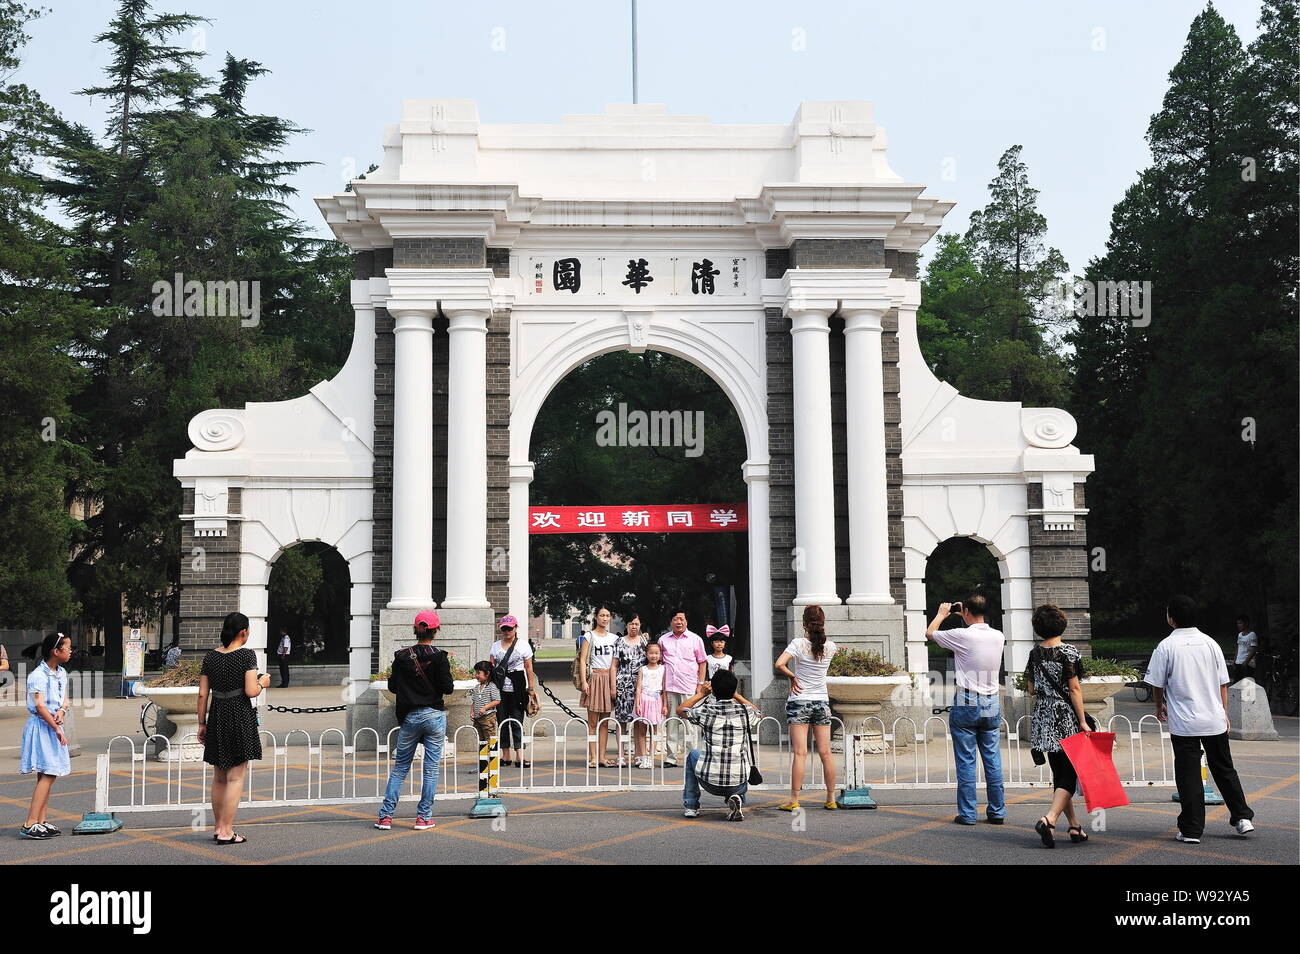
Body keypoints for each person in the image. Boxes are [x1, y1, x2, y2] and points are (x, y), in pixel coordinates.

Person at [1146, 594, 1255, 843]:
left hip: (1184, 724)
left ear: (1171, 619)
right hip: (1213, 719)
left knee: (1189, 774)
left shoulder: (1166, 646)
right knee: (1224, 768)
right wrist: (1224, 713)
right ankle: (1242, 817)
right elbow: (1222, 684)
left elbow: (1156, 682)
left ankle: (1191, 829)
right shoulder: (1210, 644)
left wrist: (1159, 704)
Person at [926, 594, 1006, 825]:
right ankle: (997, 812)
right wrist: (967, 615)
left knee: (966, 760)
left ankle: (969, 814)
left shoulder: (961, 635)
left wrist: (942, 614)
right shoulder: (998, 636)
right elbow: (976, 631)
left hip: (968, 700)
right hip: (991, 701)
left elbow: (930, 633)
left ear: (967, 611)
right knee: (992, 758)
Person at [375, 610, 454, 831]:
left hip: (410, 716)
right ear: (435, 630)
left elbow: (392, 686)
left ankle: (385, 817)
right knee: (430, 769)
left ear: (415, 629)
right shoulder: (439, 657)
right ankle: (423, 818)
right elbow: (448, 688)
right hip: (434, 716)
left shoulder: (402, 656)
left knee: (400, 767)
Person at [197, 612, 270, 845]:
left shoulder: (211, 657)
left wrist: (201, 723)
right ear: (243, 632)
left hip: (217, 714)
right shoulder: (247, 656)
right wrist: (262, 682)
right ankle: (228, 831)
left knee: (219, 777)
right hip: (239, 714)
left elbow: (202, 694)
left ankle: (218, 827)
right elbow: (251, 691)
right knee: (235, 777)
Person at [1023, 604, 1092, 848]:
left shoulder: (1034, 653)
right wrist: (1083, 721)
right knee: (1070, 773)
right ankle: (1049, 819)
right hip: (1064, 716)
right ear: (1062, 625)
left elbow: (1030, 688)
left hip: (1043, 715)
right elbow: (1074, 688)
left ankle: (1074, 826)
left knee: (1059, 772)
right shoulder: (1069, 652)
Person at [774, 605, 838, 812]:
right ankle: (830, 798)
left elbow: (779, 664)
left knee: (800, 753)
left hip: (799, 700)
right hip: (821, 701)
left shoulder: (798, 643)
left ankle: (794, 799)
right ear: (823, 622)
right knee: (826, 752)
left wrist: (793, 677)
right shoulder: (831, 646)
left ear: (804, 623)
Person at [677, 669, 761, 821]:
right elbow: (758, 713)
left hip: (709, 781)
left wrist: (701, 694)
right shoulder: (745, 712)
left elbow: (680, 710)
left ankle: (691, 806)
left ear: (713, 692)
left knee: (692, 755)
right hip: (738, 782)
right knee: (736, 761)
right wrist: (736, 694)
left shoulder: (706, 711)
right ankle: (737, 797)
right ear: (734, 689)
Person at [19, 633, 73, 839]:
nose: (70, 651)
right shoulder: (38, 676)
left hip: (52, 726)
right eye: (67, 648)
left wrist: (62, 711)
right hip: (42, 728)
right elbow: (40, 707)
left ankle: (41, 821)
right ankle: (30, 823)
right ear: (56, 652)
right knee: (49, 773)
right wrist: (57, 728)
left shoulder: (61, 672)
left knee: (46, 774)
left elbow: (64, 700)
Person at [658, 610, 706, 767]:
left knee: (690, 725)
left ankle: (692, 757)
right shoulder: (663, 640)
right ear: (671, 621)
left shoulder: (695, 639)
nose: (679, 622)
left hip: (689, 686)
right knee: (671, 723)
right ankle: (671, 757)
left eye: (681, 619)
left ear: (686, 621)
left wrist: (700, 686)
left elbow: (702, 662)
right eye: (675, 619)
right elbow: (658, 662)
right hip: (670, 687)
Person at [490, 614, 537, 767]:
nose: (507, 631)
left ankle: (520, 756)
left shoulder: (523, 645)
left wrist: (531, 688)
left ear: (515, 628)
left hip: (518, 688)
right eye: (504, 628)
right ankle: (505, 755)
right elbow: (492, 668)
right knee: (502, 721)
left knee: (517, 722)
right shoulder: (495, 646)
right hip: (500, 689)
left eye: (510, 628)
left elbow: (529, 668)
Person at [578, 606, 619, 767]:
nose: (604, 618)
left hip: (609, 678)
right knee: (593, 722)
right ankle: (593, 757)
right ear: (596, 617)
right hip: (594, 677)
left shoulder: (614, 638)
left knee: (605, 721)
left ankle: (602, 757)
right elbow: (582, 660)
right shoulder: (589, 636)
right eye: (602, 615)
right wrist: (584, 681)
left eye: (607, 615)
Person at [613, 613, 648, 765]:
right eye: (631, 624)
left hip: (640, 686)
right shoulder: (619, 642)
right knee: (621, 721)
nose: (634, 627)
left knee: (639, 721)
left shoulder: (644, 642)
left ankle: (639, 754)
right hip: (622, 685)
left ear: (640, 626)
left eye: (637, 624)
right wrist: (613, 687)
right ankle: (621, 755)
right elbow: (614, 666)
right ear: (626, 626)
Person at [633, 641, 668, 768]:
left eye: (656, 653)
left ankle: (651, 757)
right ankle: (643, 757)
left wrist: (664, 705)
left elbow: (664, 689)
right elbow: (638, 688)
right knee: (642, 731)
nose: (654, 656)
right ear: (646, 654)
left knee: (653, 730)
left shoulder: (663, 669)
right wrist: (637, 704)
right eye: (651, 653)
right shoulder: (643, 669)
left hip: (656, 700)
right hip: (643, 700)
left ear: (660, 655)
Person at [469, 661, 501, 746]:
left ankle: (492, 758)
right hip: (477, 719)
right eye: (476, 673)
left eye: (479, 673)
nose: (476, 675)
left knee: (490, 739)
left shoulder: (492, 686)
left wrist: (485, 708)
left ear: (487, 674)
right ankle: (483, 759)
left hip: (488, 717)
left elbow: (497, 700)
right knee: (481, 741)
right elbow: (474, 701)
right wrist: (472, 712)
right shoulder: (476, 687)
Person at [1232, 615, 1257, 683]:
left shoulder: (1252, 635)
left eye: (1240, 623)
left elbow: (1253, 649)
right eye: (1237, 623)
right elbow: (1238, 648)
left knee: (1246, 686)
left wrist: (1245, 662)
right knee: (1236, 684)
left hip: (1247, 664)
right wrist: (1234, 661)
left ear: (1246, 623)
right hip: (1238, 663)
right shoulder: (1239, 635)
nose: (1238, 625)